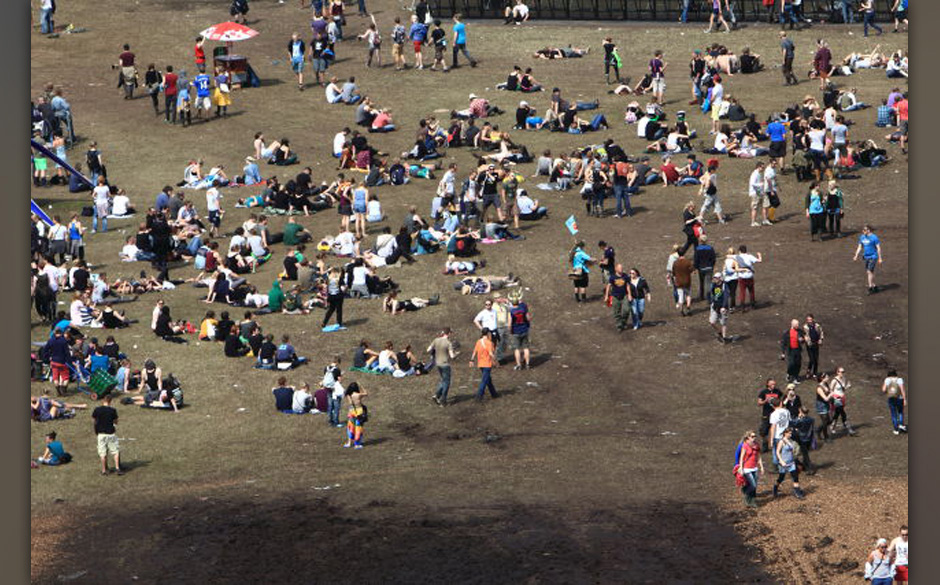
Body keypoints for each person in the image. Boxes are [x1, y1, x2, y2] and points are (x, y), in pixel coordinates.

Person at [92, 394, 122, 476]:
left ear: (103, 400)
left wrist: (96, 430)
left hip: (101, 434)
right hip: (110, 433)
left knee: (103, 453)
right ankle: (117, 468)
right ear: (110, 401)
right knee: (115, 451)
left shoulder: (97, 410)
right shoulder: (112, 410)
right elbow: (116, 421)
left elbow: (94, 421)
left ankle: (104, 470)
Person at [773, 427, 804, 499]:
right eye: (789, 433)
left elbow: (792, 450)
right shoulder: (781, 442)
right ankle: (775, 488)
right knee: (781, 477)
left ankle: (797, 492)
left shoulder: (790, 441)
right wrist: (781, 461)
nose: (790, 434)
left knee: (795, 476)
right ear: (785, 433)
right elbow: (777, 452)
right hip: (784, 463)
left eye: (791, 433)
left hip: (791, 462)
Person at [428, 328, 457, 406]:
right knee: (447, 382)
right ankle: (443, 401)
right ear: (449, 334)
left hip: (438, 364)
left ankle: (437, 395)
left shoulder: (436, 340)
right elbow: (452, 356)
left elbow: (428, 349)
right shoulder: (448, 343)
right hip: (445, 365)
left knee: (443, 380)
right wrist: (455, 354)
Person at [470, 329, 499, 402]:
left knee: (488, 379)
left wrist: (472, 360)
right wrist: (495, 361)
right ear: (488, 333)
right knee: (484, 380)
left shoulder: (478, 341)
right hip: (487, 364)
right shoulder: (489, 343)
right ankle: (479, 395)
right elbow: (491, 353)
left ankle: (494, 393)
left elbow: (474, 351)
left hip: (480, 363)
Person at [853, 224, 883, 294]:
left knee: (869, 271)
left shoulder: (874, 237)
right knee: (869, 272)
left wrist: (880, 258)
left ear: (868, 230)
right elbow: (860, 247)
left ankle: (870, 288)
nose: (863, 231)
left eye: (864, 230)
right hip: (866, 257)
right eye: (863, 230)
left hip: (873, 256)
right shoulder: (862, 237)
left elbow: (878, 248)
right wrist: (856, 255)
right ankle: (874, 286)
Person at [736, 430, 763, 508]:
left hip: (754, 468)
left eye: (755, 436)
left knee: (754, 485)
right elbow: (741, 458)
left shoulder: (756, 445)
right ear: (748, 437)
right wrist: (741, 467)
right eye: (752, 436)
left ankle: (752, 501)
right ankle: (746, 496)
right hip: (747, 469)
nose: (754, 438)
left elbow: (758, 456)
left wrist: (761, 466)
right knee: (753, 485)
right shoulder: (745, 445)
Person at [604, 264, 632, 332]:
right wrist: (606, 296)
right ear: (616, 269)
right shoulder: (612, 277)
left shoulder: (625, 276)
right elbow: (608, 286)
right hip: (615, 296)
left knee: (626, 310)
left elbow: (628, 286)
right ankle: (619, 325)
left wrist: (629, 295)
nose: (621, 269)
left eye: (622, 268)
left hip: (624, 295)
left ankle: (623, 321)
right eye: (620, 268)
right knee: (617, 312)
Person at [507, 290, 531, 370]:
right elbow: (528, 318)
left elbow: (509, 323)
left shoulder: (511, 311)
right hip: (524, 329)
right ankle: (527, 364)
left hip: (516, 331)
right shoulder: (523, 307)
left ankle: (519, 365)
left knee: (517, 349)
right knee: (526, 348)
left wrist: (510, 331)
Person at [881, 369, 907, 434]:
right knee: (900, 412)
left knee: (893, 413)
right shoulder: (899, 379)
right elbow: (902, 390)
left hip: (891, 398)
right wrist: (904, 399)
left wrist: (888, 391)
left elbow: (883, 390)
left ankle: (896, 429)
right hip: (899, 398)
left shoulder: (887, 380)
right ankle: (901, 424)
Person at [343, 382, 368, 449]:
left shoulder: (348, 395)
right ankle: (357, 444)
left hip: (351, 412)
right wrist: (361, 386)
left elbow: (350, 403)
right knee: (358, 428)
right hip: (359, 411)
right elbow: (366, 393)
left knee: (350, 428)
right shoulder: (358, 395)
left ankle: (349, 443)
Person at [672, 250, 694, 316]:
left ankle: (681, 309)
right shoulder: (687, 262)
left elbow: (673, 272)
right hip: (687, 281)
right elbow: (691, 269)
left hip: (678, 281)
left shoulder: (675, 263)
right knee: (688, 295)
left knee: (680, 296)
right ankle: (688, 307)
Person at [708, 274, 728, 343]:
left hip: (722, 307)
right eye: (714, 278)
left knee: (723, 323)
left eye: (716, 278)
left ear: (720, 278)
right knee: (712, 322)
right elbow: (711, 293)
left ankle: (724, 338)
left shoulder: (724, 285)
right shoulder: (713, 285)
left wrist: (724, 306)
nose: (715, 279)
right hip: (715, 306)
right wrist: (711, 302)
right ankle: (719, 332)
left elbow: (726, 296)